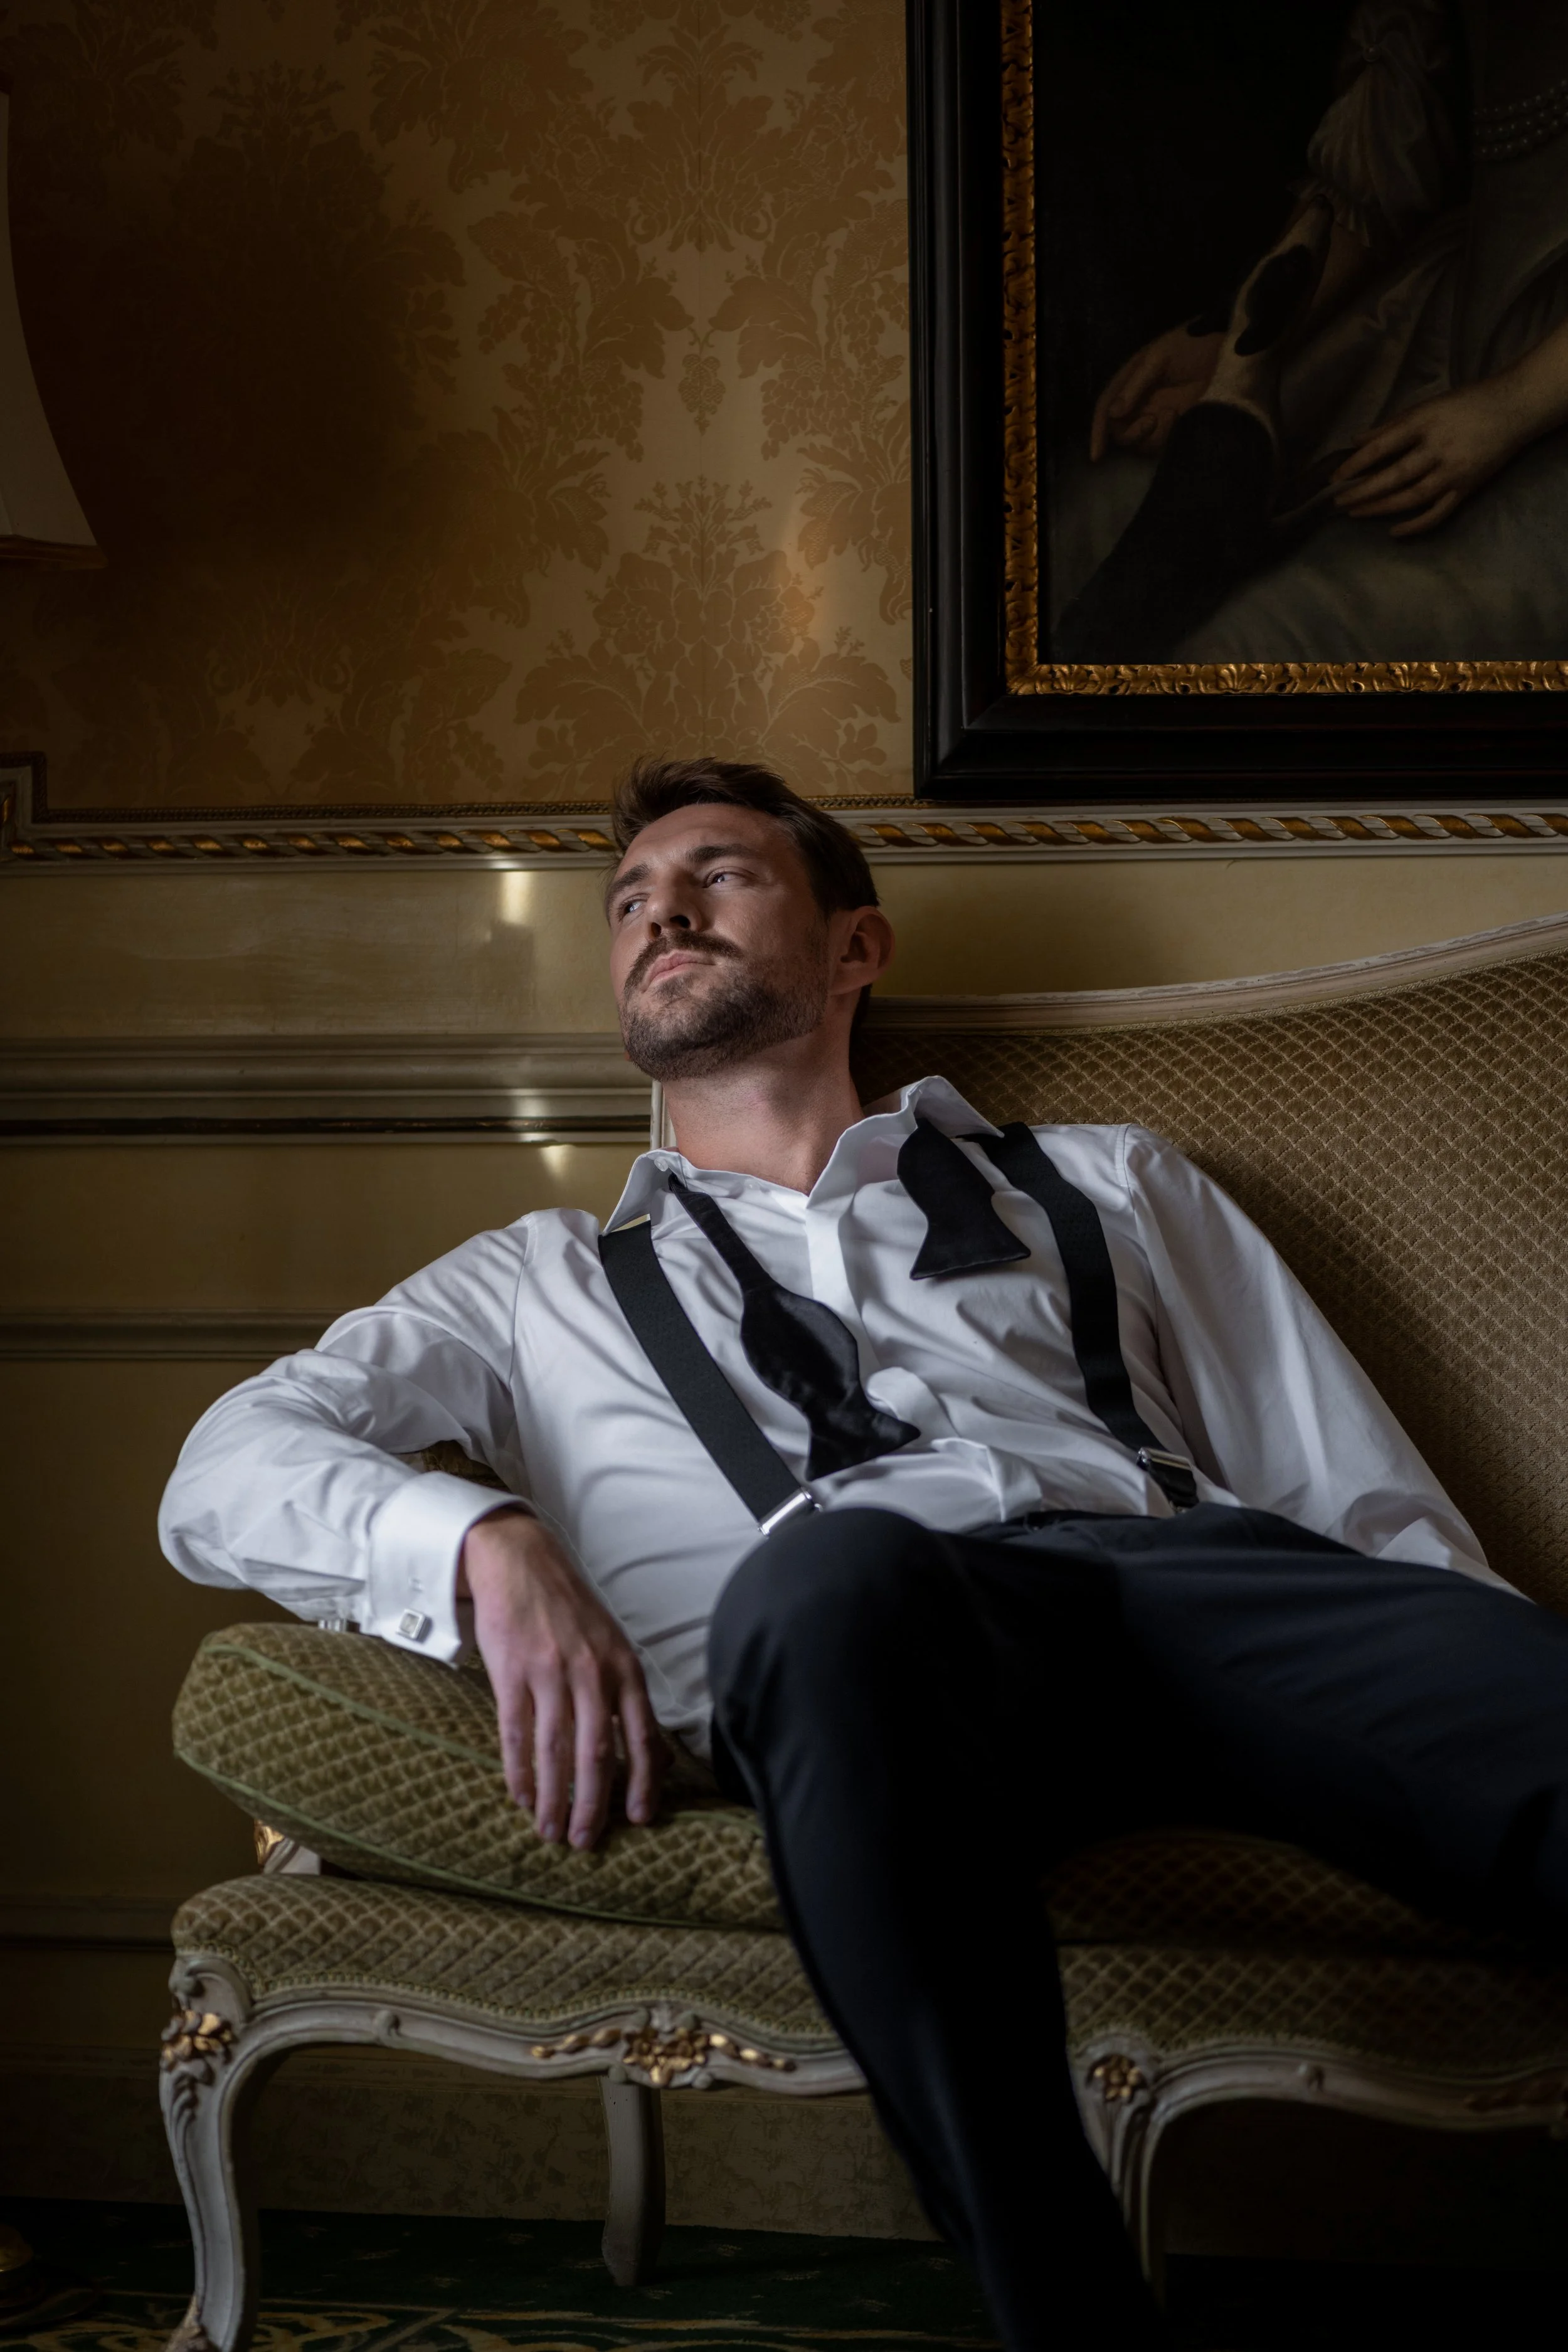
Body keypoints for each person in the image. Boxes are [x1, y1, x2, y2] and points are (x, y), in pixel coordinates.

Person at [162, 756, 1568, 2350]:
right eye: (628, 901)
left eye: (720, 876)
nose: (659, 914)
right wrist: (478, 1532)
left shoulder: (1110, 1180)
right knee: (835, 1577)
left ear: (855, 949)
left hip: (1195, 1587)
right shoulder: (529, 1281)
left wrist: (1463, 1651)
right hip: (870, 1657)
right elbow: (225, 1464)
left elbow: (1350, 1493)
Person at [1058, 0, 1568, 659]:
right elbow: (1385, 141)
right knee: (1095, 513)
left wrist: (1512, 405)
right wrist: (1242, 338)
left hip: (1547, 383)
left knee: (1279, 626)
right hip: (1454, 307)